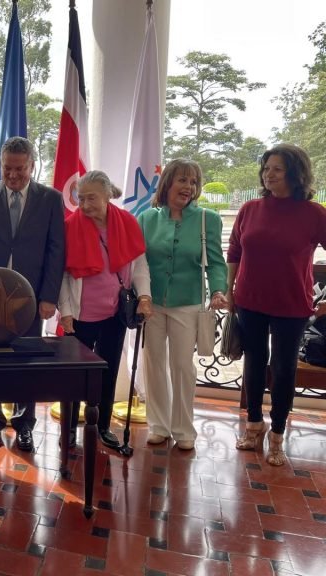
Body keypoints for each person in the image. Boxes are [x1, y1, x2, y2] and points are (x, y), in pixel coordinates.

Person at [0, 136, 64, 452]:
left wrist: (49, 296)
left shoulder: (50, 198)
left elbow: (55, 249)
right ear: (1, 165)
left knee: (26, 362)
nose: (13, 175)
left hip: (30, 299)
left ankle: (24, 424)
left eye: (20, 169)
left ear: (33, 166)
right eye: (8, 168)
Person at [229, 144, 326, 466]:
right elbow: (235, 253)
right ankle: (254, 425)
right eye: (266, 168)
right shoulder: (250, 208)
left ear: (295, 174)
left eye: (277, 169)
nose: (269, 175)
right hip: (250, 300)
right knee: (255, 364)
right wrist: (230, 291)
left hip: (292, 304)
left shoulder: (314, 214)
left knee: (284, 370)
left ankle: (278, 434)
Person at [58, 171, 153, 449]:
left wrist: (145, 297)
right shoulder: (70, 226)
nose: (85, 205)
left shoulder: (127, 222)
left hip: (116, 312)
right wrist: (65, 311)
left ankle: (102, 425)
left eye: (92, 198)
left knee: (108, 369)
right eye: (81, 198)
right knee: (74, 374)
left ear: (108, 195)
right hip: (80, 315)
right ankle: (69, 428)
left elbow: (139, 265)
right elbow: (63, 275)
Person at [138, 159, 227, 451]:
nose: (188, 187)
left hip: (187, 305)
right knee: (154, 365)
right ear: (168, 184)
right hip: (151, 305)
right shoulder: (147, 218)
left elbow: (215, 262)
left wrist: (217, 290)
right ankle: (159, 425)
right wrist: (141, 296)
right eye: (182, 180)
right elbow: (139, 263)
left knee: (182, 367)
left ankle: (184, 429)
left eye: (193, 182)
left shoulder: (207, 220)